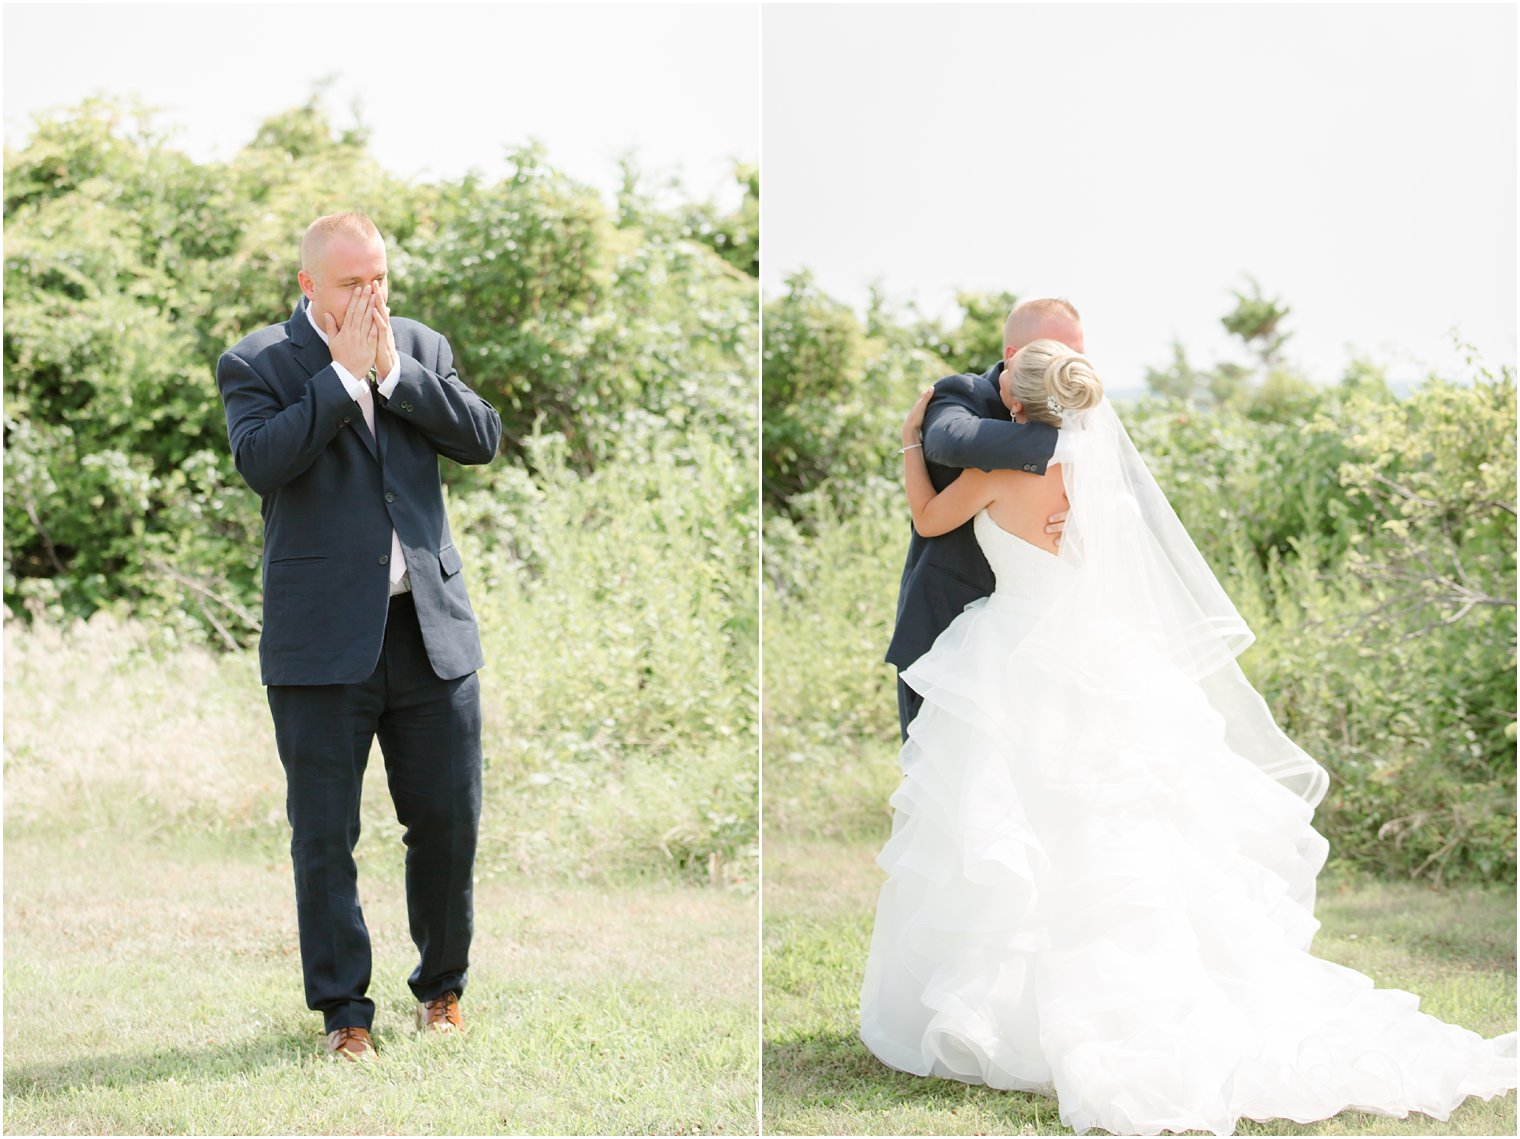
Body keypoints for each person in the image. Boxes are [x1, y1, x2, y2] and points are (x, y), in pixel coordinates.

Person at [859, 339, 1517, 1134]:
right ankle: (1150, 986)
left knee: (1019, 831)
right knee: (1125, 832)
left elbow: (928, 517)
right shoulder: (1104, 487)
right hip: (1099, 658)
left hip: (1012, 656)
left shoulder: (995, 472)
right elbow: (1111, 575)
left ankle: (1012, 1011)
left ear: (1018, 407)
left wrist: (908, 441)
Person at [216, 212, 502, 1060]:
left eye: (377, 278)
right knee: (324, 835)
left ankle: (442, 989)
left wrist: (393, 370)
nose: (370, 295)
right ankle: (345, 1013)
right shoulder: (257, 361)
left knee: (450, 822)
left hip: (429, 632)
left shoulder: (420, 344)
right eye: (351, 283)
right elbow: (261, 462)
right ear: (310, 285)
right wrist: (340, 381)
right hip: (319, 643)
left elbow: (480, 438)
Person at [885, 299, 1083, 741]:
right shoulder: (964, 394)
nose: (1071, 368)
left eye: (1077, 356)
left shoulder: (1086, 438)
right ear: (1013, 357)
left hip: (1052, 629)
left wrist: (1088, 515)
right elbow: (951, 442)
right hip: (952, 623)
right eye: (1059, 352)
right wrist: (1064, 448)